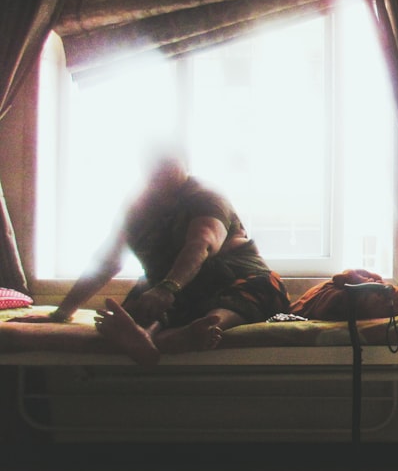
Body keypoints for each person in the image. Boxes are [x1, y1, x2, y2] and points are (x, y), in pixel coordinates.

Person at [14, 152, 290, 365]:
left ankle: (203, 328)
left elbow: (202, 245)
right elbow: (107, 261)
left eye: (168, 161)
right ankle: (146, 337)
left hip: (232, 277)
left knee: (256, 289)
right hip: (169, 288)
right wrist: (62, 312)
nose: (161, 169)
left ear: (185, 164)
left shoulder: (205, 197)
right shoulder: (137, 206)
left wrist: (168, 288)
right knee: (143, 296)